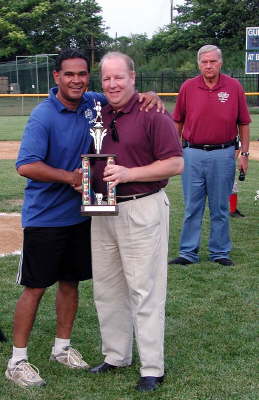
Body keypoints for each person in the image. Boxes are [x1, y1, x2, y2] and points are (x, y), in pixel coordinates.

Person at [5, 48, 164, 388]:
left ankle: (62, 348)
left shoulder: (94, 103)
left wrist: (149, 96)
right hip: (46, 218)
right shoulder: (43, 115)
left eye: (82, 74)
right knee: (35, 288)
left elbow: (123, 93)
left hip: (82, 216)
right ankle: (17, 360)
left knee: (70, 282)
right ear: (56, 78)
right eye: (69, 74)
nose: (76, 80)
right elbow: (25, 165)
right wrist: (70, 178)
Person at [88, 52, 184, 392]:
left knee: (145, 290)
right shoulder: (98, 111)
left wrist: (131, 173)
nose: (112, 84)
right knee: (107, 289)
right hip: (103, 209)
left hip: (142, 206)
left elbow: (174, 164)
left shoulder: (152, 112)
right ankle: (116, 356)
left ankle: (152, 367)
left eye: (119, 77)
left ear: (133, 77)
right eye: (107, 79)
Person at [169, 45, 250, 267]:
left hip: (223, 154)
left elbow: (243, 122)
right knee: (192, 206)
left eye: (212, 61)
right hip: (192, 153)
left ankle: (220, 251)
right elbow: (178, 121)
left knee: (220, 207)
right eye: (204, 62)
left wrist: (244, 152)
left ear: (220, 62)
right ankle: (188, 252)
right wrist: (175, 151)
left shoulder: (233, 87)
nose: (208, 66)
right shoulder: (188, 87)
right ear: (199, 64)